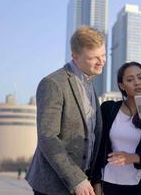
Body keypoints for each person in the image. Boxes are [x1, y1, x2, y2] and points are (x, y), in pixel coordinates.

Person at [25, 26, 106, 195]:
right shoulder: (53, 83)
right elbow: (48, 137)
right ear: (75, 57)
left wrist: (94, 178)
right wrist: (76, 179)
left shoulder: (90, 84)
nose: (101, 61)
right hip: (52, 186)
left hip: (84, 183)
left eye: (103, 55)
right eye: (94, 58)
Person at [92, 62, 141, 195]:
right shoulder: (109, 109)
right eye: (130, 80)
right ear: (121, 86)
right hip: (109, 182)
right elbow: (98, 148)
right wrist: (96, 182)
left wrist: (134, 157)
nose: (137, 82)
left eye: (140, 78)